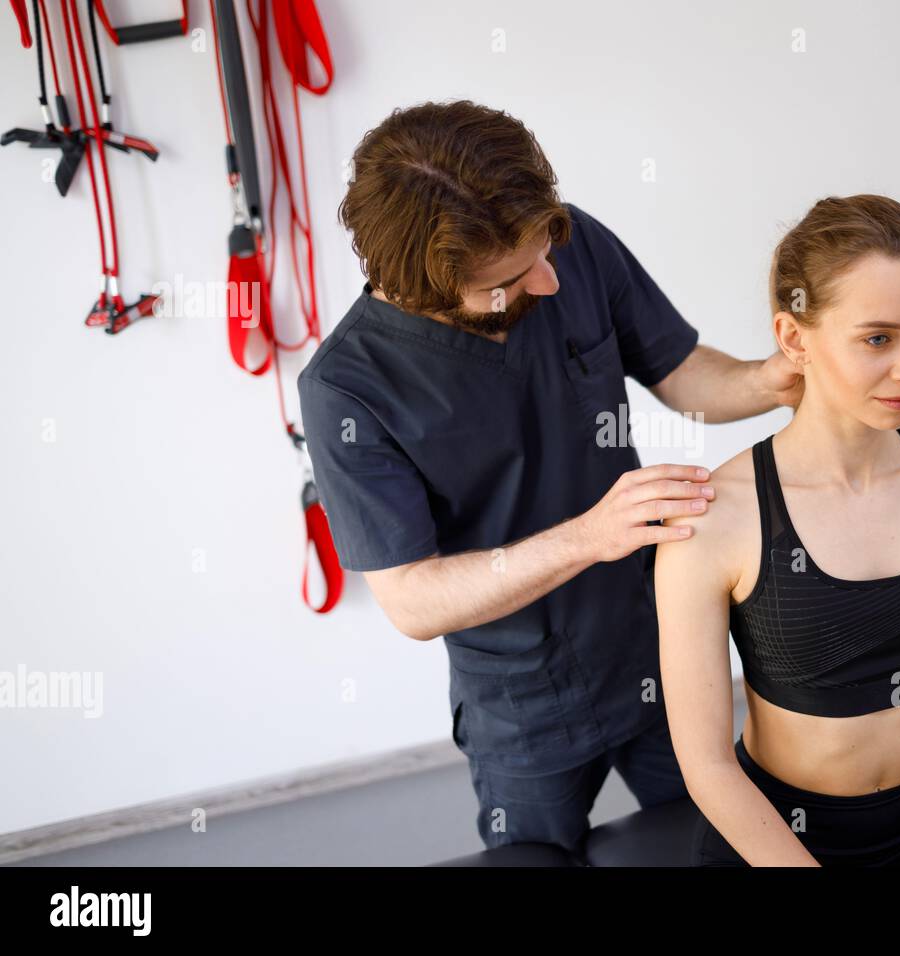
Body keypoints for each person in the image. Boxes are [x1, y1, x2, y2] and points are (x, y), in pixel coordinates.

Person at [295, 99, 803, 856]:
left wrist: (778, 376)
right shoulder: (347, 389)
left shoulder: (567, 245)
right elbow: (413, 599)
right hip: (522, 709)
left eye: (545, 252)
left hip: (658, 654)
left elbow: (684, 375)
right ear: (429, 285)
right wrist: (590, 537)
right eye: (511, 278)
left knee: (717, 844)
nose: (549, 282)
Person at [655, 195, 900, 866]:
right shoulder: (716, 516)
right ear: (795, 338)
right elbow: (706, 765)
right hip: (779, 839)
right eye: (879, 338)